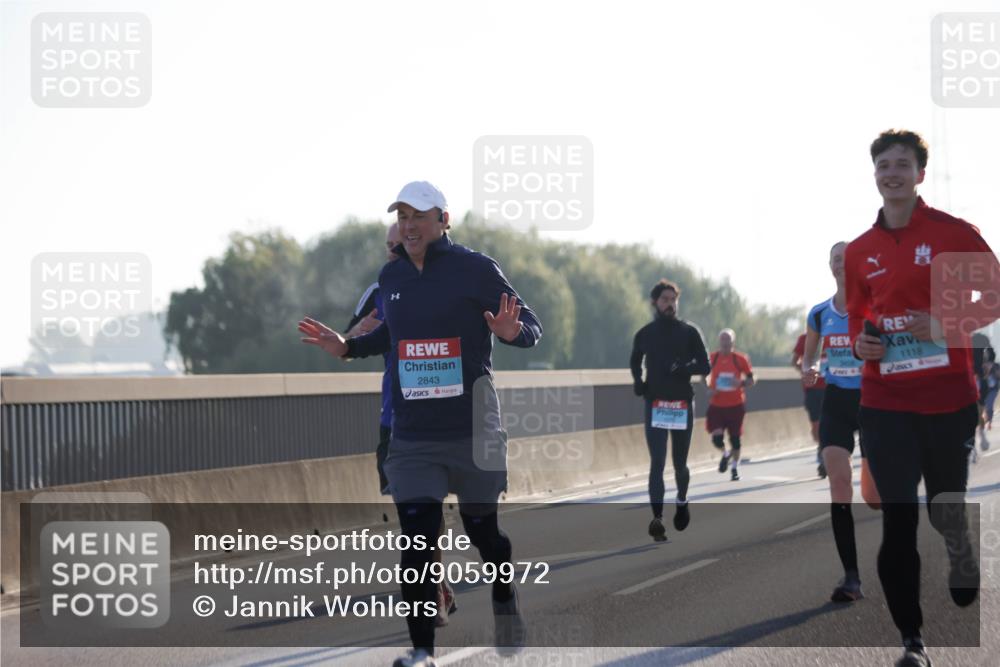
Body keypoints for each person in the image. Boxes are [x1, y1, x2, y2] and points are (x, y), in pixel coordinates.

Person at [300, 180, 542, 667]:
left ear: (443, 221)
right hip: (412, 432)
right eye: (402, 217)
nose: (409, 226)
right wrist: (347, 347)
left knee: (484, 534)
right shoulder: (391, 277)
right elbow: (392, 333)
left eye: (419, 217)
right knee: (417, 540)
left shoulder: (476, 269)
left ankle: (503, 593)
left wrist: (511, 331)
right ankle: (422, 652)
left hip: (472, 425)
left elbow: (530, 327)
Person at [846, 129, 998, 667]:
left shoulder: (953, 233)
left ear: (920, 174)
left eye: (902, 164)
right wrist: (865, 343)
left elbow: (994, 296)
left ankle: (960, 548)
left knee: (944, 507)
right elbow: (861, 321)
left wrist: (943, 322)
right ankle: (912, 641)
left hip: (948, 398)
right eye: (884, 165)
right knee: (898, 519)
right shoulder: (861, 252)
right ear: (875, 174)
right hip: (884, 399)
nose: (893, 173)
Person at [344, 224, 457, 629]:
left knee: (430, 513)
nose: (394, 252)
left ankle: (433, 589)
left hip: (443, 419)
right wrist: (370, 328)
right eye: (390, 246)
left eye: (402, 245)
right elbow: (351, 339)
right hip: (396, 421)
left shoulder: (450, 280)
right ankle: (434, 590)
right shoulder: (380, 289)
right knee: (414, 516)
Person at [801, 241, 882, 603]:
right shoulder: (819, 314)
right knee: (838, 482)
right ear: (830, 266)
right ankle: (852, 578)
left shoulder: (874, 307)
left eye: (846, 259)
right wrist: (810, 368)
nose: (840, 264)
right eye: (836, 259)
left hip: (874, 401)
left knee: (875, 497)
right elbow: (809, 358)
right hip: (836, 401)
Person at [629, 280, 710, 542]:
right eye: (665, 299)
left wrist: (683, 368)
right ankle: (657, 518)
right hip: (656, 404)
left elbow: (705, 366)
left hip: (681, 405)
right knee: (657, 463)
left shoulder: (689, 332)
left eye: (673, 299)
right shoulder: (645, 334)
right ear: (655, 303)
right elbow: (634, 359)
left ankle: (682, 500)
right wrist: (639, 382)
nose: (670, 304)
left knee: (679, 464)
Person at [706, 329, 754, 481]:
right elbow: (703, 377)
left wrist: (740, 382)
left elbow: (751, 380)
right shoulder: (712, 358)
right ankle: (725, 454)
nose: (725, 344)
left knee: (735, 440)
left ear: (733, 343)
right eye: (723, 341)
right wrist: (709, 388)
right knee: (717, 438)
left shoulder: (740, 359)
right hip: (717, 405)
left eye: (728, 341)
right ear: (719, 342)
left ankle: (734, 468)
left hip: (735, 405)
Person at [793, 332, 827, 477]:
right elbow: (795, 361)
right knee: (816, 427)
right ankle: (821, 447)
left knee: (830, 423)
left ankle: (825, 457)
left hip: (831, 387)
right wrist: (805, 370)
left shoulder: (833, 335)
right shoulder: (804, 338)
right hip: (812, 389)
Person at [971, 332, 996, 456]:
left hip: (979, 378)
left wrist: (989, 363)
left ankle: (981, 433)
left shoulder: (979, 338)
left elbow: (991, 352)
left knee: (979, 409)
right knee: (967, 412)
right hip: (962, 380)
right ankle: (971, 442)